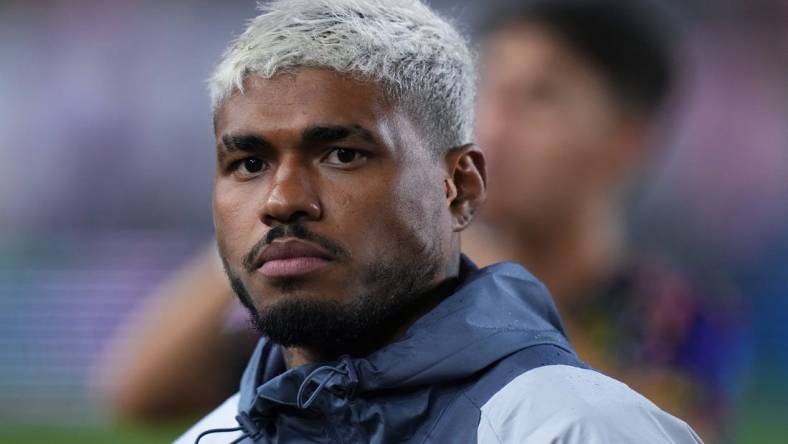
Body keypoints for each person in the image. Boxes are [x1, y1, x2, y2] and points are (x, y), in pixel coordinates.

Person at [169, 0, 700, 442]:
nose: (280, 199)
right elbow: (136, 388)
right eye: (249, 164)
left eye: (343, 155)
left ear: (461, 186)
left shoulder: (579, 425)